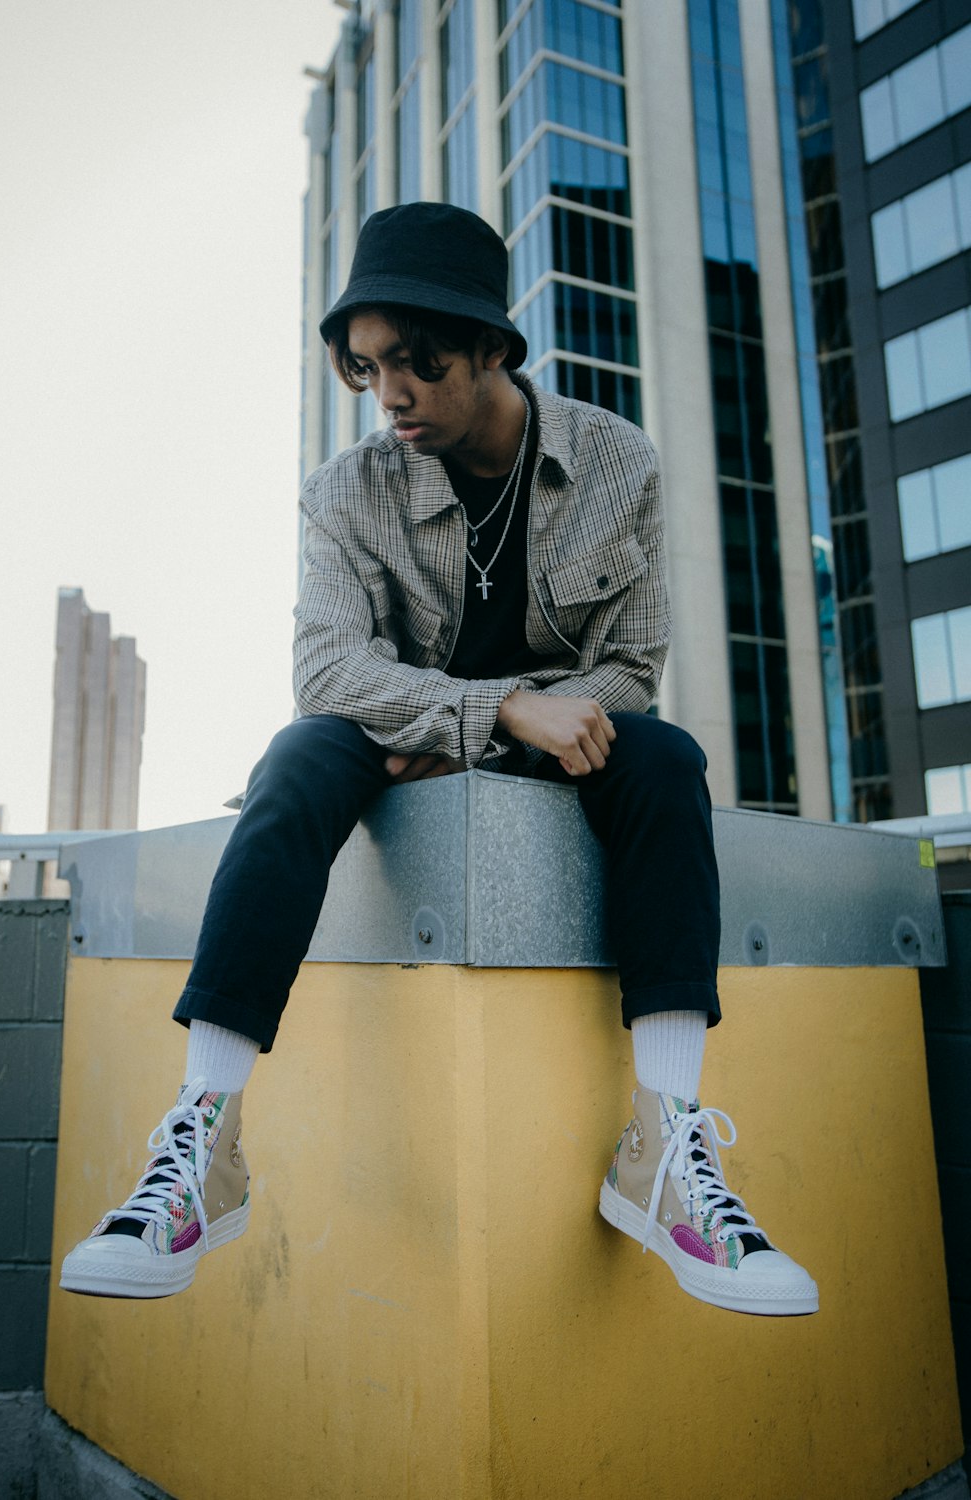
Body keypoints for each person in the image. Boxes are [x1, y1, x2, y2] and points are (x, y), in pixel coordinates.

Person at [60, 202, 817, 1317]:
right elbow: (329, 676)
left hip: (537, 748)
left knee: (663, 758)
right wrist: (498, 713)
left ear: (492, 352)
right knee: (300, 758)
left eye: (418, 364)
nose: (391, 395)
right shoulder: (344, 492)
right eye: (368, 368)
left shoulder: (617, 464)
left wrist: (526, 727)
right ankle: (202, 1144)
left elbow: (631, 664)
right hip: (404, 745)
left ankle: (662, 1150)